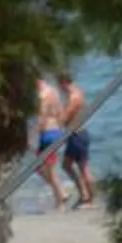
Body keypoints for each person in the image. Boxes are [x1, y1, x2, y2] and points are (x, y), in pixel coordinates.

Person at [59, 73, 95, 209]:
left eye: (60, 85)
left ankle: (89, 199)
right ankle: (83, 194)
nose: (60, 89)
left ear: (64, 82)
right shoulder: (77, 93)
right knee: (67, 165)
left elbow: (66, 116)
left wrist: (56, 120)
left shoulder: (74, 96)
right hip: (75, 134)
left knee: (84, 169)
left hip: (77, 135)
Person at [34, 74, 69, 209]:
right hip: (56, 130)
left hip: (47, 132)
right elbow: (60, 112)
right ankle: (61, 193)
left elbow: (42, 115)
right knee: (43, 167)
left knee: (48, 169)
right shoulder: (54, 92)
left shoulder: (43, 95)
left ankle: (60, 199)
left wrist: (37, 131)